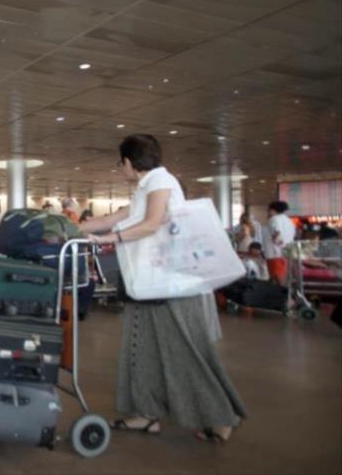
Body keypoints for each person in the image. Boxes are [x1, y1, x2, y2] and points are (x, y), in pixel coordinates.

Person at [79, 133, 246, 443]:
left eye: (121, 164)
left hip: (172, 286)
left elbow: (152, 224)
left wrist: (108, 240)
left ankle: (221, 417)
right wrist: (70, 228)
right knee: (140, 348)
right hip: (151, 286)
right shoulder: (146, 187)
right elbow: (117, 217)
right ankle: (145, 413)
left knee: (184, 351)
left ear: (129, 162)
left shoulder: (160, 181)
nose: (121, 170)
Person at [265, 201, 296, 285]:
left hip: (274, 254)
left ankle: (283, 297)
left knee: (277, 279)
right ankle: (284, 295)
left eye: (268, 210)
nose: (267, 212)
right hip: (287, 253)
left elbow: (277, 232)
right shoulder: (289, 221)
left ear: (272, 210)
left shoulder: (274, 219)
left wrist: (276, 241)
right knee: (282, 278)